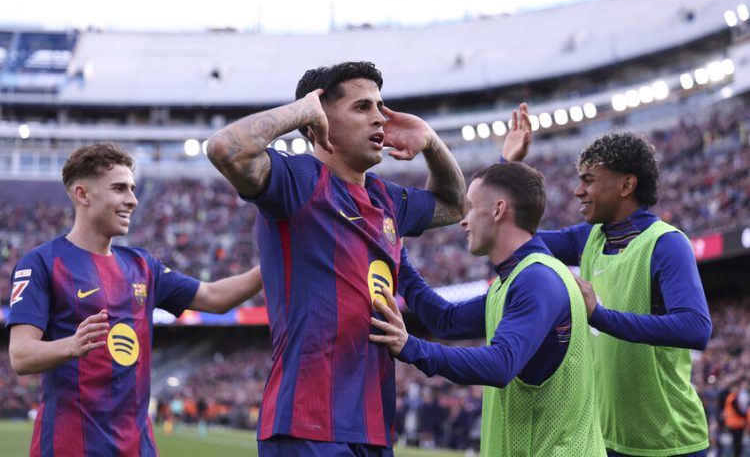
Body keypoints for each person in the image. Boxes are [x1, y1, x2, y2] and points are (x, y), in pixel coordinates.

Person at [206, 61, 465, 456]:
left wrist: (430, 141)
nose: (380, 118)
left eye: (380, 106)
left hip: (372, 427)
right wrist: (300, 111)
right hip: (306, 424)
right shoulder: (299, 181)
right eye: (362, 107)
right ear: (318, 123)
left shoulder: (386, 198)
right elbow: (225, 148)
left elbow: (455, 204)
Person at [6, 143, 262, 456]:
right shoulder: (42, 263)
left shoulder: (142, 266)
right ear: (83, 194)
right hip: (68, 446)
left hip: (138, 448)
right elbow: (21, 355)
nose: (132, 200)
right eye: (119, 188)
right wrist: (70, 346)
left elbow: (215, 297)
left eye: (132, 189)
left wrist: (274, 264)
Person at [370, 161, 606, 456]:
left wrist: (411, 347)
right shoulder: (513, 281)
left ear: (498, 210)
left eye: (470, 207)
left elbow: (500, 364)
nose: (463, 220)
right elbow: (446, 321)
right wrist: (397, 256)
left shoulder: (537, 278)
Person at [504, 130, 713, 456]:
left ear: (626, 185)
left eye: (588, 180)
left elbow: (696, 328)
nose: (578, 191)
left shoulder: (666, 243)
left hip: (671, 443)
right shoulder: (589, 238)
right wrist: (508, 168)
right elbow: (514, 239)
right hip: (605, 439)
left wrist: (599, 316)